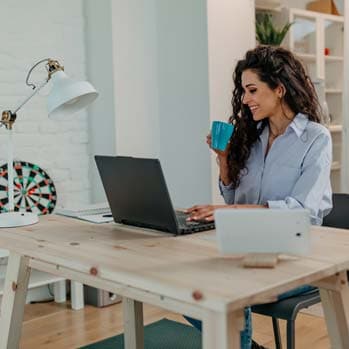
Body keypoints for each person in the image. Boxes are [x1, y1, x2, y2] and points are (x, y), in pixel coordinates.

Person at [184, 45, 332, 349]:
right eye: (243, 91)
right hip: (248, 246)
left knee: (229, 288)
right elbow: (233, 199)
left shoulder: (316, 138)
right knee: (187, 283)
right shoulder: (253, 137)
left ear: (279, 89)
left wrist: (231, 212)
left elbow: (301, 210)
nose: (245, 99)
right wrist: (224, 159)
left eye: (252, 90)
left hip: (299, 255)